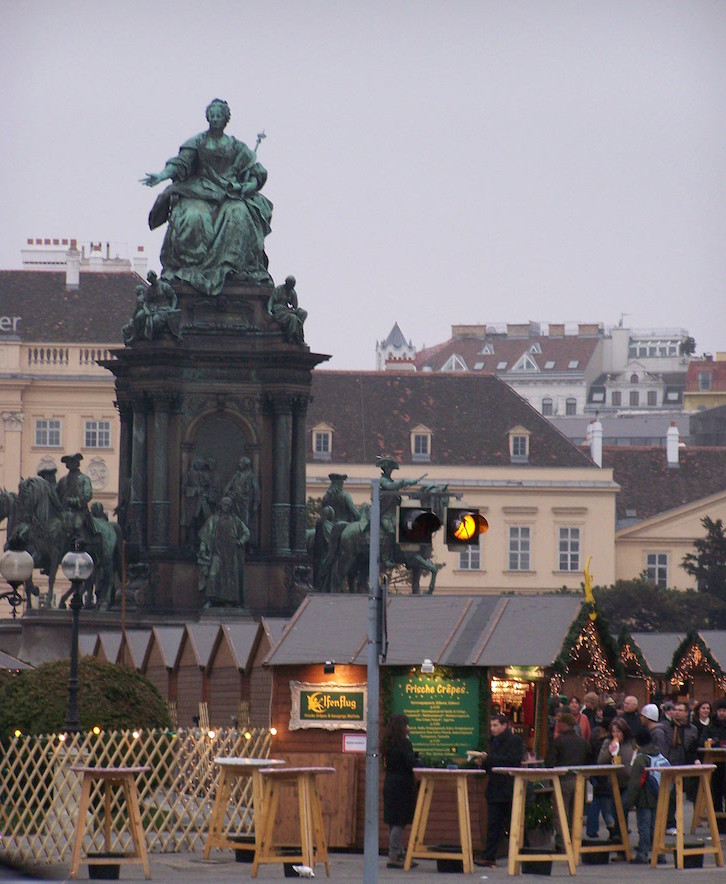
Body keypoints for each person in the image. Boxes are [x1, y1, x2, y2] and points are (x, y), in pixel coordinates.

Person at [141, 98, 273, 297]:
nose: (215, 119)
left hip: (230, 194)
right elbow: (180, 164)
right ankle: (191, 267)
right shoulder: (198, 142)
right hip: (199, 190)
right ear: (207, 118)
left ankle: (231, 268)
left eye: (219, 116)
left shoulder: (236, 146)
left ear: (226, 119)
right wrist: (161, 175)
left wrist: (245, 187)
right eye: (212, 116)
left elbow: (257, 173)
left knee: (239, 214)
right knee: (193, 216)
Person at [474, 714, 524, 869]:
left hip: (508, 787)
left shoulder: (514, 741)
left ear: (504, 725)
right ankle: (489, 856)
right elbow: (493, 764)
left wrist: (488, 759)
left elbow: (511, 760)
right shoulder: (494, 741)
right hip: (496, 787)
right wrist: (483, 763)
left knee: (513, 822)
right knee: (494, 823)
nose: (492, 729)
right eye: (491, 726)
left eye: (495, 725)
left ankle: (524, 853)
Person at [621, 728, 666, 864]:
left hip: (645, 798)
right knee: (655, 827)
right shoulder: (658, 754)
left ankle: (642, 854)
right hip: (659, 795)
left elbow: (635, 783)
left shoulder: (641, 758)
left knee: (644, 827)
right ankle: (659, 854)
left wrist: (628, 803)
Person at [546, 711, 589, 853]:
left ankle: (562, 843)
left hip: (562, 780)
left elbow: (550, 762)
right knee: (576, 813)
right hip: (579, 780)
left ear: (564, 724)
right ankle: (575, 840)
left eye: (559, 723)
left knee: (561, 813)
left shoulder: (558, 741)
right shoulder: (582, 742)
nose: (557, 725)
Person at [197, 497, 250, 607]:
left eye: (228, 505)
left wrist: (240, 541)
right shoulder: (213, 519)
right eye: (224, 504)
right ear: (221, 505)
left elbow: (247, 533)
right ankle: (211, 600)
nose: (226, 506)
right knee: (213, 575)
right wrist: (202, 548)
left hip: (231, 554)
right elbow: (205, 536)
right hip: (217, 553)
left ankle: (229, 601)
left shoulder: (236, 520)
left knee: (230, 577)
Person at [382, 713, 419, 869]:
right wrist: (418, 759)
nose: (408, 728)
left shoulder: (387, 742)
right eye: (407, 725)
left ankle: (397, 851)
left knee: (393, 820)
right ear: (402, 726)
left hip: (390, 782)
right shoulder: (404, 743)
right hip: (402, 784)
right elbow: (409, 762)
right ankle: (394, 855)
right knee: (400, 821)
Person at [596, 716, 637, 845]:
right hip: (614, 782)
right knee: (615, 810)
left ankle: (621, 836)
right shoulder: (608, 742)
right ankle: (619, 838)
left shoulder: (632, 742)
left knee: (623, 807)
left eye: (618, 731)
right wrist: (610, 751)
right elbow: (600, 761)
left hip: (629, 781)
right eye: (613, 731)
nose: (616, 734)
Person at [223, 456, 260, 544]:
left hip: (246, 502)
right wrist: (227, 493)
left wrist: (256, 503)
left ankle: (247, 543)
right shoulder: (237, 475)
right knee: (235, 521)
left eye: (241, 463)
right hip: (235, 500)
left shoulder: (251, 475)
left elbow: (256, 490)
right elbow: (228, 486)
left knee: (245, 521)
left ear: (246, 464)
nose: (239, 465)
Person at [267, 275, 307, 343]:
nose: (291, 287)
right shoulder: (279, 289)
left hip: (287, 309)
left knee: (303, 313)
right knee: (293, 318)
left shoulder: (292, 291)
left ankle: (298, 332)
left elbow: (295, 305)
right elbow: (271, 301)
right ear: (287, 283)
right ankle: (291, 337)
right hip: (278, 310)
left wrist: (295, 309)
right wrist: (269, 311)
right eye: (290, 285)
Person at [704, 699, 726, 812]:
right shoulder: (711, 726)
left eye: (724, 710)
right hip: (715, 762)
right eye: (720, 710)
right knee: (716, 791)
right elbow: (703, 740)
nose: (722, 713)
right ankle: (718, 820)